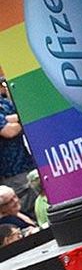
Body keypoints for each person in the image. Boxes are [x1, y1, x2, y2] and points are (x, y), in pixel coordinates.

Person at [0, 76, 36, 220]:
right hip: (11, 171)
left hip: (26, 160)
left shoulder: (4, 102)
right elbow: (8, 131)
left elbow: (21, 111)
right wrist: (25, 120)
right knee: (25, 205)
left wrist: (15, 119)